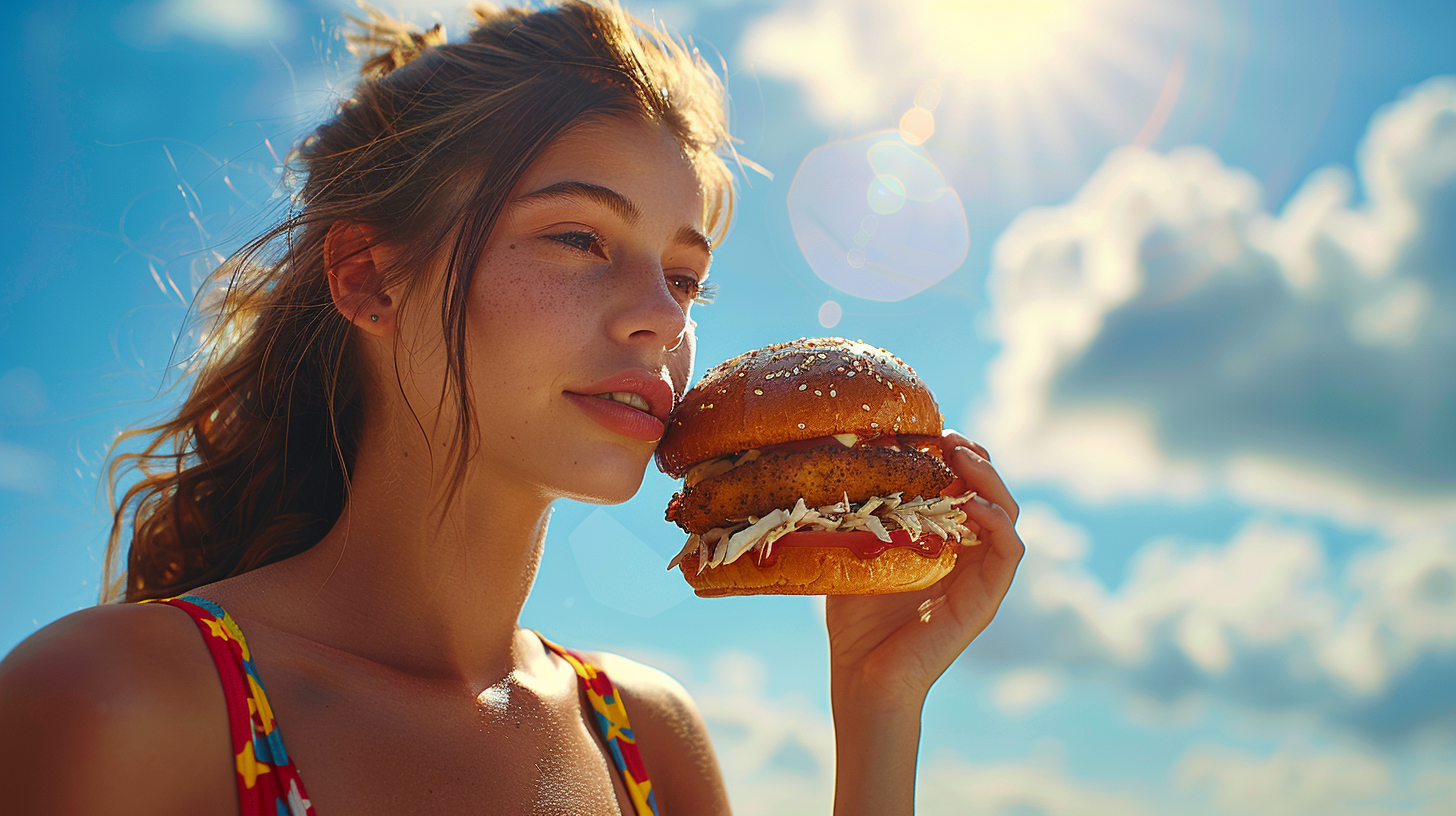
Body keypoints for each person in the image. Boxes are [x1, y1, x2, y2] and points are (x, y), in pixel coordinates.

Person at [0, 2, 1024, 814]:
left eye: (685, 277)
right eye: (579, 239)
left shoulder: (650, 740)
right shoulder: (120, 700)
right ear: (368, 278)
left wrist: (879, 706)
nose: (657, 321)